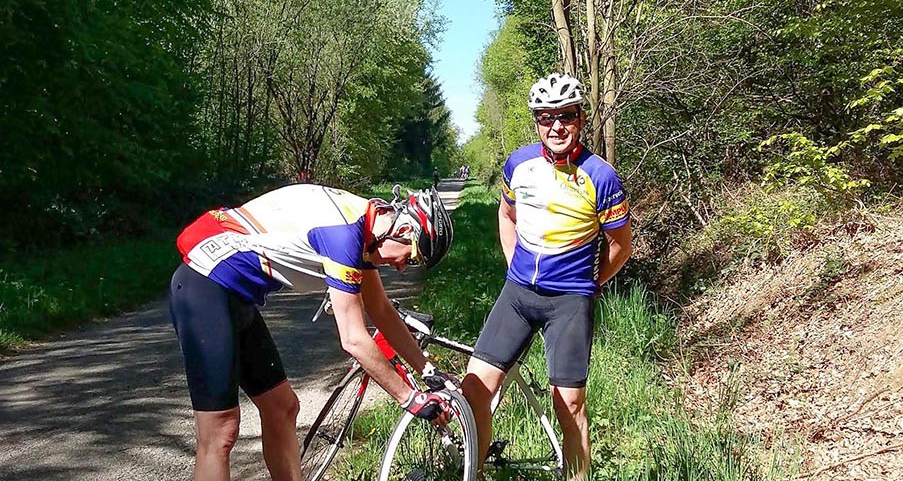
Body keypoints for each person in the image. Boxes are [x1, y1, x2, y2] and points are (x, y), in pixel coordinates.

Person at [168, 183, 455, 481]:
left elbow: (381, 310)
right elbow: (354, 339)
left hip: (234, 297)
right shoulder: (343, 234)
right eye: (410, 257)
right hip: (203, 287)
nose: (400, 268)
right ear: (402, 228)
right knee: (220, 432)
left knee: (283, 407)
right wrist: (410, 398)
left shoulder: (362, 229)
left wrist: (427, 368)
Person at [460, 73, 633, 480]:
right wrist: (512, 265)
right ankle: (475, 472)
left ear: (581, 119)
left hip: (569, 302)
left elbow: (621, 245)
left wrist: (591, 284)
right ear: (536, 121)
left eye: (567, 116)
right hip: (518, 295)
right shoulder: (518, 164)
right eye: (545, 117)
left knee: (569, 404)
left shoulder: (601, 175)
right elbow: (506, 214)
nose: (556, 126)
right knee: (474, 390)